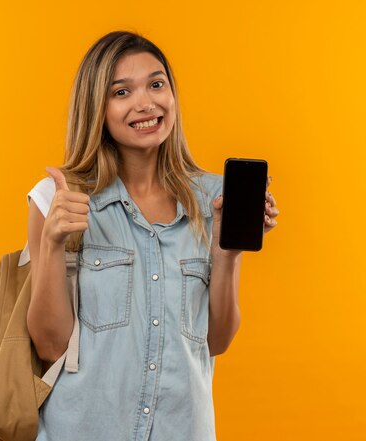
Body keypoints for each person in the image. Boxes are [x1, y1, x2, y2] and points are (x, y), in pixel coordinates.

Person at [25, 31, 279, 441]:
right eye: (122, 92)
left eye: (156, 84)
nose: (146, 103)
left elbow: (215, 341)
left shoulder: (213, 199)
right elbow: (50, 346)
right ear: (97, 108)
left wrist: (226, 252)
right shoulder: (59, 199)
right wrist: (53, 243)